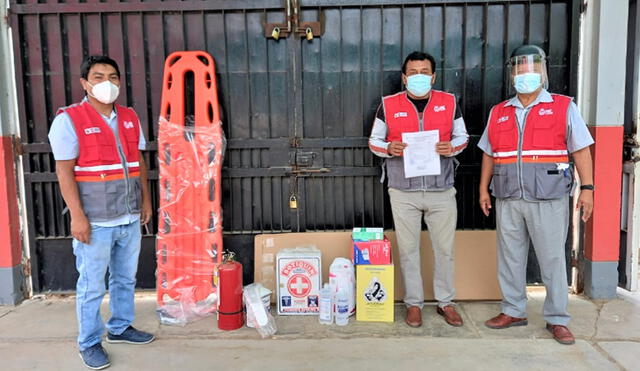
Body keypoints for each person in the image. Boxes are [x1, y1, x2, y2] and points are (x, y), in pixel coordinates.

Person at [477, 45, 594, 345]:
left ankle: (557, 319)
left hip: (549, 197)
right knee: (510, 257)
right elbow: (489, 154)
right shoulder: (499, 112)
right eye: (519, 69)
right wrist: (482, 189)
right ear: (511, 73)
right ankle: (513, 310)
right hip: (508, 195)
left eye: (531, 68)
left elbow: (580, 149)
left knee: (552, 259)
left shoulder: (563, 106)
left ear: (543, 72)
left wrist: (588, 189)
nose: (525, 74)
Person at [49, 55, 155, 369]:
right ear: (84, 83)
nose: (106, 83)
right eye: (98, 77)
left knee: (125, 279)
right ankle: (89, 342)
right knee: (92, 285)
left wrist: (146, 201)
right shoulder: (69, 119)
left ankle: (120, 327)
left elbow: (138, 163)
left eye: (112, 76)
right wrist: (77, 217)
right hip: (94, 220)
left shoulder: (129, 117)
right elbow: (64, 171)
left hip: (129, 215)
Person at [369, 51, 469, 328]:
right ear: (404, 78)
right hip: (403, 190)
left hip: (441, 189)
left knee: (444, 250)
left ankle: (446, 303)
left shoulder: (449, 103)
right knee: (409, 250)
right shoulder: (388, 105)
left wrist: (453, 147)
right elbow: (374, 141)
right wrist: (389, 148)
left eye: (424, 72)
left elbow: (463, 136)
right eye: (413, 72)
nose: (419, 77)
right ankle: (414, 304)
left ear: (433, 76)